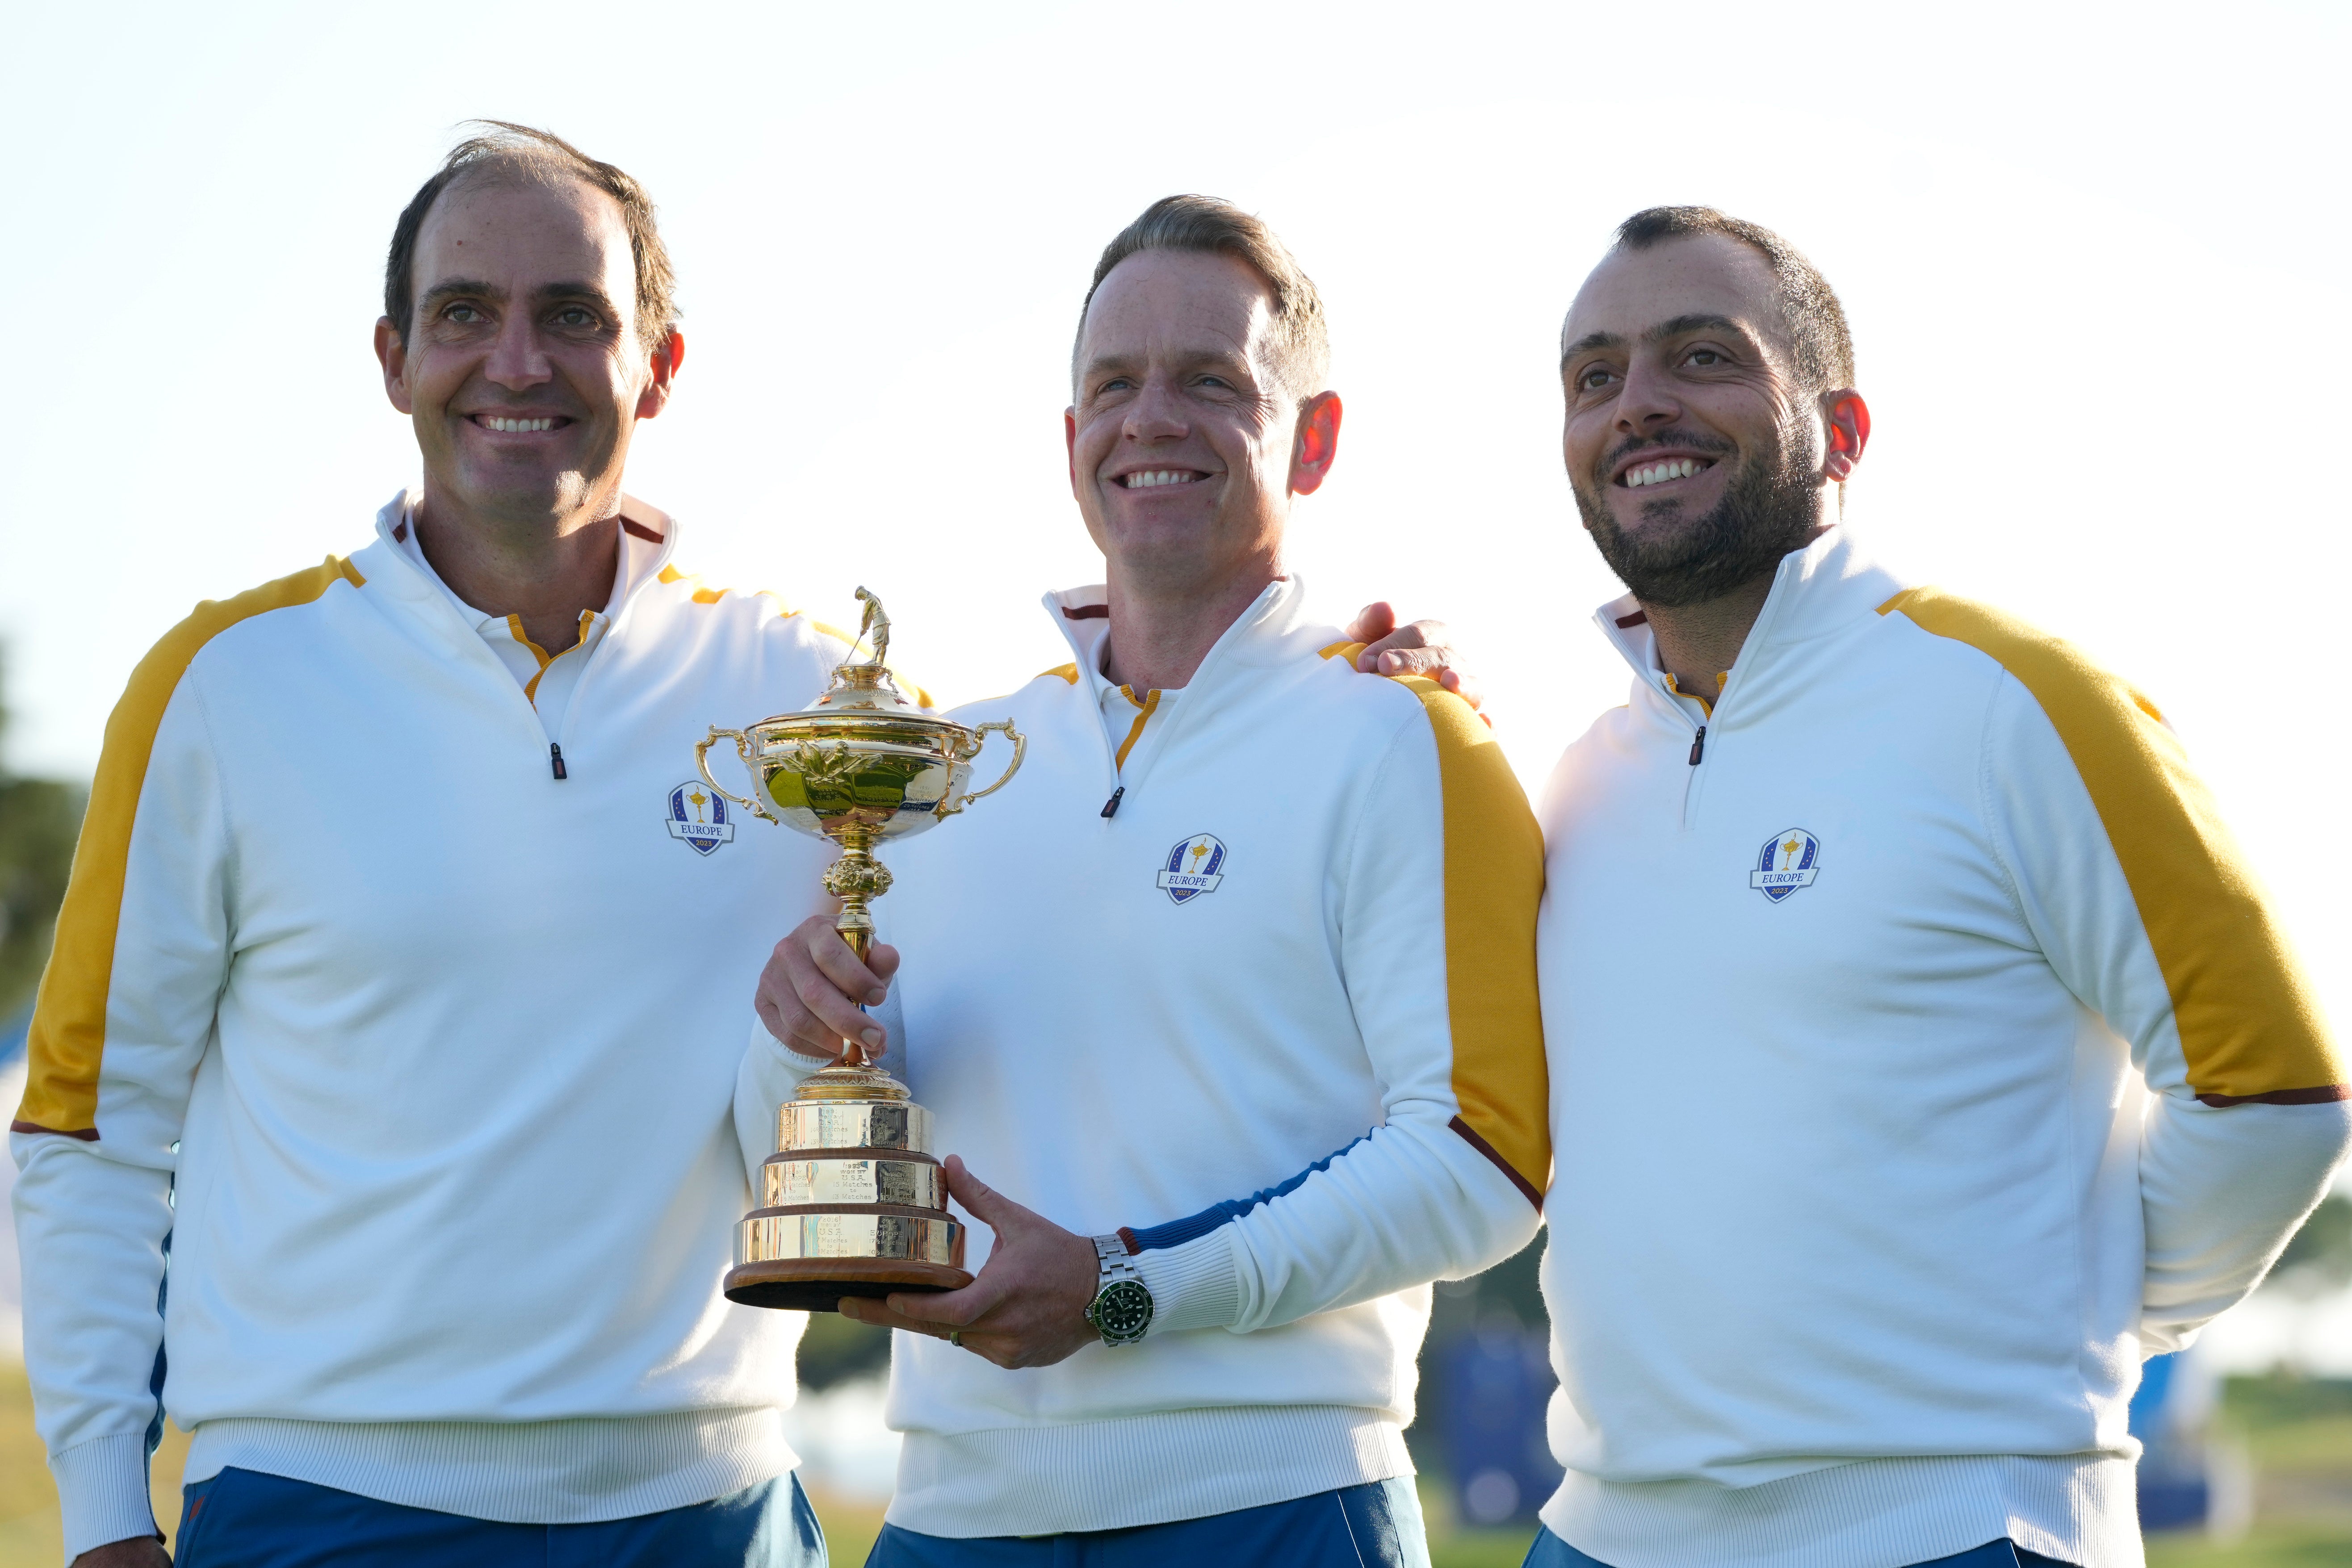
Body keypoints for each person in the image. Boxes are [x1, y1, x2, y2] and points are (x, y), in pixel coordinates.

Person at [9, 122, 1469, 1567]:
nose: (517, 362)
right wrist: (101, 1519)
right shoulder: (225, 685)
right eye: (466, 314)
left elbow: (1094, 791)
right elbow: (92, 1126)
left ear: (659, 363)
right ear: (391, 358)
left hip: (710, 1516)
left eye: (573, 317)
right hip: (318, 1511)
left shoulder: (809, 699)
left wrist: (1327, 684)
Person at [1527, 206, 2349, 1568]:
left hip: (1957, 1535)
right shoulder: (1573, 780)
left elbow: (2271, 1100)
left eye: (1700, 356)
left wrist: (2065, 1310)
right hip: (1598, 1538)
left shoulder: (2015, 700)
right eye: (1593, 374)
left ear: (1839, 432)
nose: (1639, 403)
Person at [756, 194, 1551, 1568]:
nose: (1152, 421)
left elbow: (1481, 1164)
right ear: (1070, 442)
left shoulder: (1408, 736)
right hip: (947, 1518)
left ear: (1313, 436)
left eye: (1211, 382)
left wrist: (1129, 1287)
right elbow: (807, 1147)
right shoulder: (949, 767)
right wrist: (785, 1032)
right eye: (1113, 386)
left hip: (1275, 1513)